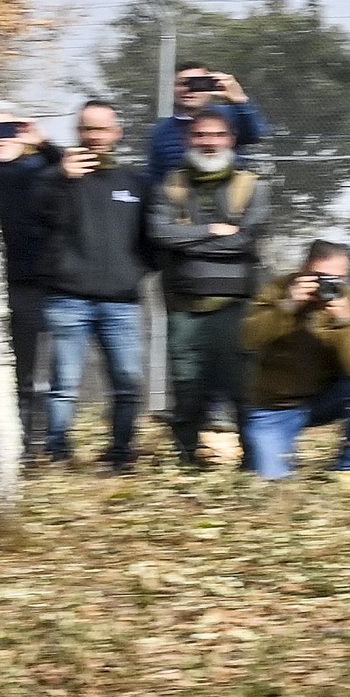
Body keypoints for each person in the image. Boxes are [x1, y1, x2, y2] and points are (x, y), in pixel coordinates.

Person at [147, 108, 272, 468]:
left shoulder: (253, 186)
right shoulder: (169, 185)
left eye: (217, 134)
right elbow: (160, 234)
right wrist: (213, 231)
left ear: (231, 139)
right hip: (184, 307)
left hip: (236, 307)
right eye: (201, 134)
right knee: (187, 388)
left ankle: (255, 464)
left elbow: (247, 240)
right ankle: (189, 461)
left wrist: (188, 240)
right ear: (188, 139)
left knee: (242, 389)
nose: (209, 142)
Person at [40, 101, 152, 472]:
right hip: (69, 299)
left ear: (117, 133)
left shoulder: (135, 182)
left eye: (102, 129)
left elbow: (151, 238)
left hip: (122, 302)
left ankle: (121, 453)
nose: (95, 136)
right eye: (88, 128)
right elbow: (38, 215)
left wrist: (134, 272)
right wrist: (61, 178)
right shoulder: (57, 178)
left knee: (128, 382)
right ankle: (58, 455)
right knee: (64, 384)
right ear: (78, 132)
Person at [241, 240, 350, 483]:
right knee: (273, 483)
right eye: (320, 278)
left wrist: (344, 322)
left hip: (323, 401)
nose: (328, 285)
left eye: (338, 278)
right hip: (275, 407)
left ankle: (348, 467)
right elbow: (249, 339)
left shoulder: (347, 301)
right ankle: (279, 456)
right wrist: (288, 306)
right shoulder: (277, 289)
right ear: (304, 270)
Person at [0, 107, 61, 461]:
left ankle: (24, 446)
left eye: (7, 128)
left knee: (25, 371)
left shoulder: (38, 170)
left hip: (28, 286)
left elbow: (71, 171)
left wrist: (42, 142)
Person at [144, 62, 270, 187]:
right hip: (182, 195)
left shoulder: (230, 116)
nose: (189, 89)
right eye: (182, 84)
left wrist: (240, 100)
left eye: (197, 83)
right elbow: (155, 179)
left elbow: (256, 135)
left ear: (210, 85)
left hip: (231, 194)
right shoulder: (161, 131)